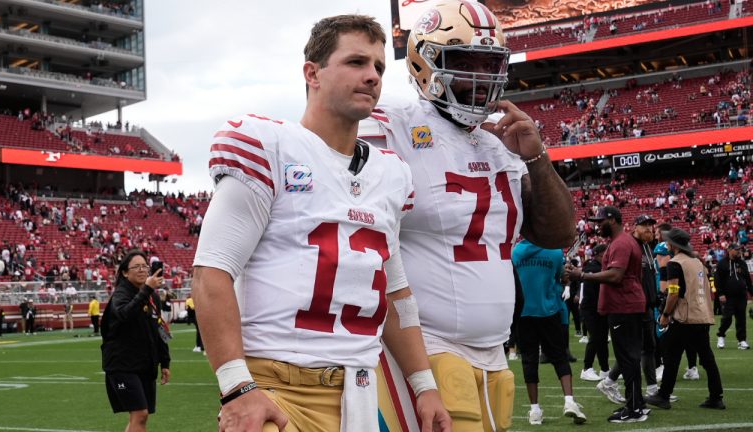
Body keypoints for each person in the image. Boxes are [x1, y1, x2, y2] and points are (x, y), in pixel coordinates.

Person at [191, 14, 451, 432]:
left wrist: (424, 386)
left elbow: (396, 293)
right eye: (356, 62)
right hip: (277, 388)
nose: (371, 76)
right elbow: (211, 271)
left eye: (379, 68)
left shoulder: (390, 174)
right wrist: (238, 387)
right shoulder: (270, 147)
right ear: (312, 72)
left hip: (362, 392)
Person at [359, 2, 575, 430]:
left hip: (494, 351)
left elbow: (557, 234)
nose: (480, 77)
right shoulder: (389, 126)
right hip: (423, 346)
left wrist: (536, 158)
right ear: (424, 62)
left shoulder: (502, 144)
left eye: (490, 64)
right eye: (465, 62)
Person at [567, 206, 648, 423]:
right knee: (630, 356)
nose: (597, 225)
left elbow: (616, 276)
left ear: (611, 220)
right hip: (627, 305)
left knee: (627, 358)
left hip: (624, 306)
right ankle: (637, 403)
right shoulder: (624, 241)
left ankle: (633, 409)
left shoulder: (621, 242)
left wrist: (582, 275)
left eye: (600, 221)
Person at [645, 228, 725, 410]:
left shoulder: (675, 263)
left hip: (684, 317)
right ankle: (716, 396)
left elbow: (673, 292)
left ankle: (663, 395)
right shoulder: (698, 262)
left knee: (671, 356)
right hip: (701, 315)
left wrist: (665, 315)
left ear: (673, 245)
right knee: (707, 358)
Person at [513, 240, 587, 425]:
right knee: (560, 357)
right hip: (549, 312)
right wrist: (566, 275)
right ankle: (569, 401)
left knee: (529, 360)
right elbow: (561, 279)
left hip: (523, 313)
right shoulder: (554, 252)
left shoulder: (516, 252)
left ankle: (535, 410)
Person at [101, 250, 170, 431]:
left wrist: (165, 362)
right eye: (136, 266)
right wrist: (147, 289)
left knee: (140, 417)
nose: (142, 270)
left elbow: (159, 328)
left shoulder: (153, 297)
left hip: (144, 363)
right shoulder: (120, 295)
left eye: (144, 266)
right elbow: (125, 314)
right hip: (122, 364)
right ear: (124, 272)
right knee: (140, 413)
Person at [578, 244, 610, 382]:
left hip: (598, 308)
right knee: (596, 338)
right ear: (598, 255)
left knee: (601, 339)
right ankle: (586, 368)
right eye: (605, 254)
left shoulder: (597, 267)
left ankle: (605, 369)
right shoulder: (592, 267)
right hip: (591, 308)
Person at [715, 243, 752, 350]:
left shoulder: (742, 263)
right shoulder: (722, 264)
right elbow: (718, 280)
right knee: (727, 318)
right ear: (729, 250)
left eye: (739, 250)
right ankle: (721, 335)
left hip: (741, 296)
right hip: (728, 296)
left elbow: (748, 280)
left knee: (741, 319)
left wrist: (751, 292)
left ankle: (742, 340)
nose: (739, 252)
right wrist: (721, 293)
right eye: (736, 250)